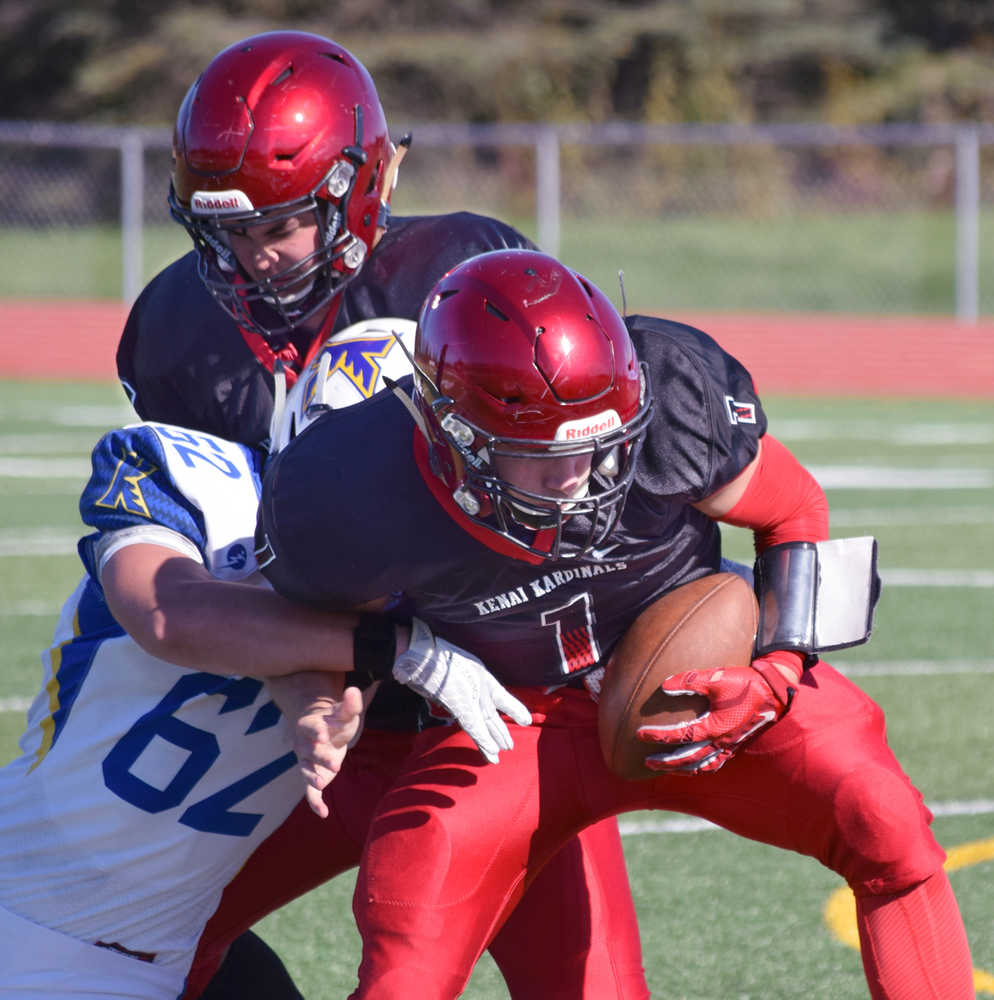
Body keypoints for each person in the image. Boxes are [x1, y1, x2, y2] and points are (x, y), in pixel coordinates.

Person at [256, 248, 977, 1000]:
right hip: (512, 721)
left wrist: (778, 672)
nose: (579, 480)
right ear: (451, 437)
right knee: (409, 936)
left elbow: (794, 512)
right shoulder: (348, 493)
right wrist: (317, 692)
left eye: (602, 447)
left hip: (702, 681)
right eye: (539, 456)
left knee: (882, 816)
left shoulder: (671, 395)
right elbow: (307, 626)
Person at [116, 29, 650, 1000]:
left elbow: (557, 515)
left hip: (490, 709)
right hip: (289, 712)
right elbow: (210, 560)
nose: (250, 258)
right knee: (116, 939)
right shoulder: (175, 330)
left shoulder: (464, 276)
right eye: (223, 230)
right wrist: (312, 673)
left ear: (364, 184)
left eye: (277, 225)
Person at [0, 417, 530, 998]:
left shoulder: (415, 568)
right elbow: (178, 615)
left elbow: (301, 649)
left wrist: (321, 693)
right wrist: (398, 649)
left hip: (160, 955)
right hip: (23, 915)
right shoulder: (205, 493)